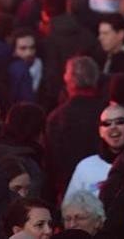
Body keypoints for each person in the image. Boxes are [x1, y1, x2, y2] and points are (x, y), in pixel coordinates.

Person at [45, 57, 106, 203]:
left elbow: (52, 162)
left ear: (69, 80)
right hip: (105, 184)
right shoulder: (108, 113)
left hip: (71, 189)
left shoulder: (57, 118)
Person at [65, 103, 124, 199]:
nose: (113, 127)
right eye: (106, 123)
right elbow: (69, 207)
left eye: (120, 122)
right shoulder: (85, 167)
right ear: (100, 131)